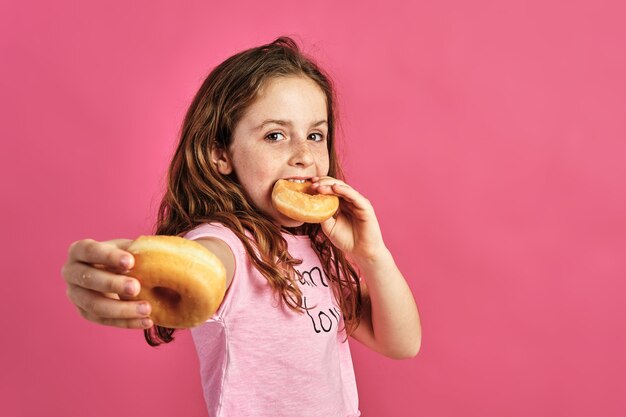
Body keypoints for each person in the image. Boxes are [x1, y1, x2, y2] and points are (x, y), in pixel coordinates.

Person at [61, 36, 421, 417]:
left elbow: (401, 342)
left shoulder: (313, 246)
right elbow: (201, 263)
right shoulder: (227, 242)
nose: (303, 156)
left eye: (315, 135)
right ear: (221, 154)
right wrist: (126, 265)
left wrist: (371, 254)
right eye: (275, 135)